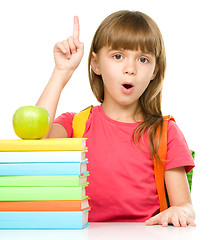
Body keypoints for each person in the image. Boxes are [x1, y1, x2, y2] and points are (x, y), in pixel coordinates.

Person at [36, 10, 196, 227]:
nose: (130, 69)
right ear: (96, 63)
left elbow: (185, 206)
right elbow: (36, 139)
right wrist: (61, 71)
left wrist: (179, 211)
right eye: (118, 56)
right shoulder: (76, 124)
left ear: (154, 70)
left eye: (142, 59)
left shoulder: (166, 132)